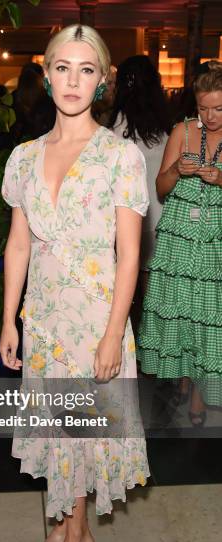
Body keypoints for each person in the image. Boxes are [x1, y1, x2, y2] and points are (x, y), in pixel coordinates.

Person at [0, 23, 150, 542]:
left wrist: (114, 333)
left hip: (94, 321)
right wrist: (9, 316)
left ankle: (76, 532)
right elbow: (20, 243)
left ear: (103, 81)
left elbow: (130, 256)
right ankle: (67, 527)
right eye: (63, 67)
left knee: (81, 433)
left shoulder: (121, 157)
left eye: (87, 70)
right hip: (44, 319)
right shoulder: (24, 156)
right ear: (45, 71)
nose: (73, 80)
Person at [137, 60, 222, 426]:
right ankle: (184, 377)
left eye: (218, 108)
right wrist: (176, 170)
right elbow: (160, 188)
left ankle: (200, 396)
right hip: (178, 238)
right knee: (180, 312)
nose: (210, 116)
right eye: (203, 108)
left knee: (207, 317)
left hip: (215, 237)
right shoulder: (183, 131)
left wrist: (220, 179)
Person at [108, 55, 171, 295]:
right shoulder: (167, 128)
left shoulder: (115, 129)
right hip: (162, 220)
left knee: (124, 294)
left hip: (125, 221)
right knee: (153, 298)